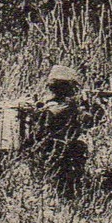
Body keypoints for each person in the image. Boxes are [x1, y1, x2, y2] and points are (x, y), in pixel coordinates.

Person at [20, 65, 96, 198]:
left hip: (41, 153)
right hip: (57, 155)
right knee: (79, 147)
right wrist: (85, 106)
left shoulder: (46, 106)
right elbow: (88, 122)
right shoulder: (64, 108)